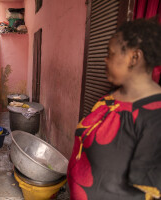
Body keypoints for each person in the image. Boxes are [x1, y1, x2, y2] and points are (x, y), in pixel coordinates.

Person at [67, 19, 161, 200]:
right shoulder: (109, 99)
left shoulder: (154, 116)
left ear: (135, 57)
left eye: (111, 54)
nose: (105, 59)